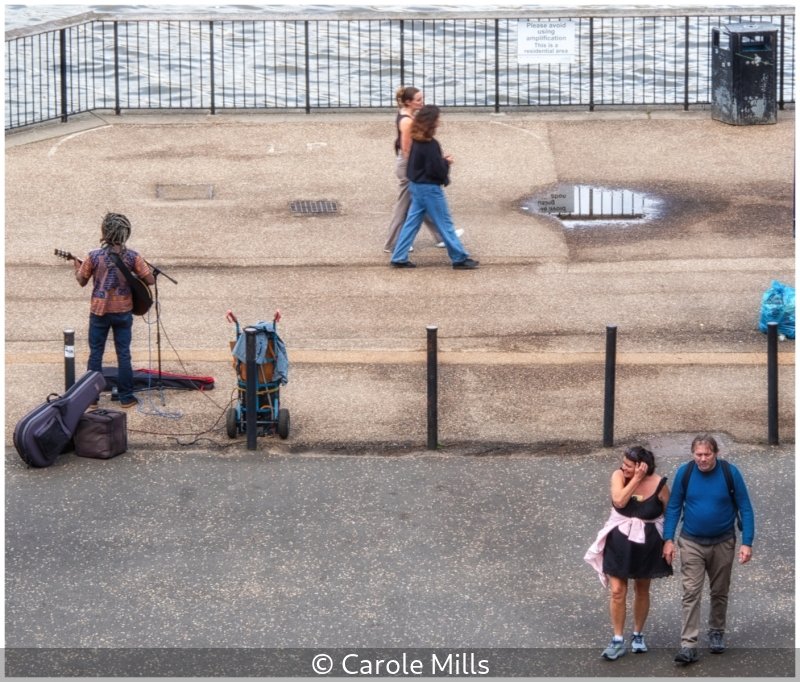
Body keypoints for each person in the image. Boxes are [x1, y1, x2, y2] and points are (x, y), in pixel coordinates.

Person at [662, 434, 755, 665]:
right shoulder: (685, 473)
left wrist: (747, 542)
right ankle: (688, 644)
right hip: (691, 541)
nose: (702, 459)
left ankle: (716, 631)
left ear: (716, 453)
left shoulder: (730, 473)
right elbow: (673, 507)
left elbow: (746, 507)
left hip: (723, 542)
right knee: (691, 592)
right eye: (698, 454)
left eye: (707, 454)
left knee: (720, 590)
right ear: (693, 454)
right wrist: (668, 539)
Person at [584, 446, 672, 660]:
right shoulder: (618, 476)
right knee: (617, 591)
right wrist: (634, 479)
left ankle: (638, 635)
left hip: (647, 543)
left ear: (642, 466)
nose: (623, 467)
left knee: (642, 589)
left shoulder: (660, 485)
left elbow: (670, 514)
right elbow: (620, 501)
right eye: (623, 463)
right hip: (619, 542)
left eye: (629, 466)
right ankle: (617, 639)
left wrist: (669, 541)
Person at [74, 212, 155, 408]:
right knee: (124, 354)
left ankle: (92, 398)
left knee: (96, 354)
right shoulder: (133, 256)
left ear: (105, 232)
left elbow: (81, 281)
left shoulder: (93, 256)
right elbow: (150, 280)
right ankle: (126, 397)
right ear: (126, 233)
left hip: (99, 312)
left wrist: (76, 267)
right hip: (123, 311)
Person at [389, 105, 478, 270]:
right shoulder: (431, 145)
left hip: (416, 185)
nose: (439, 122)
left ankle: (399, 256)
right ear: (431, 123)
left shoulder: (416, 139)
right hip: (429, 189)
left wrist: (439, 161)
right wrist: (446, 163)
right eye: (437, 119)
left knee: (412, 222)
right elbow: (436, 170)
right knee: (444, 223)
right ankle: (459, 257)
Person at [383, 86, 463, 253]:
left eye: (422, 98)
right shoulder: (407, 121)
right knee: (404, 206)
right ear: (408, 102)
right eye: (418, 100)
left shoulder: (408, 115)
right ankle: (393, 243)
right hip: (408, 166)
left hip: (410, 165)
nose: (422, 103)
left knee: (421, 202)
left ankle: (441, 236)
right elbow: (407, 149)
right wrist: (417, 170)